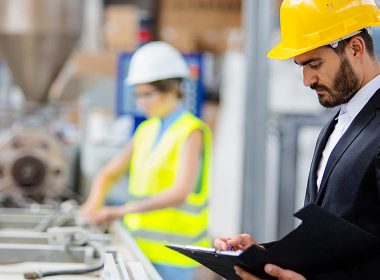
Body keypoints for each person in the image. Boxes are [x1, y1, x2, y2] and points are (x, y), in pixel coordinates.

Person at [215, 0, 380, 279]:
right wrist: (264, 254)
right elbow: (333, 241)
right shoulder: (336, 127)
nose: (306, 79)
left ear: (355, 48)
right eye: (301, 65)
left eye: (315, 63)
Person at [80, 41, 212, 280]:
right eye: (138, 95)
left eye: (148, 94)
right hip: (139, 248)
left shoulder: (191, 131)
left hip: (175, 256)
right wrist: (91, 207)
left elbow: (180, 192)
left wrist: (122, 210)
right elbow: (109, 173)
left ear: (172, 88)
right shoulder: (146, 130)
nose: (141, 102)